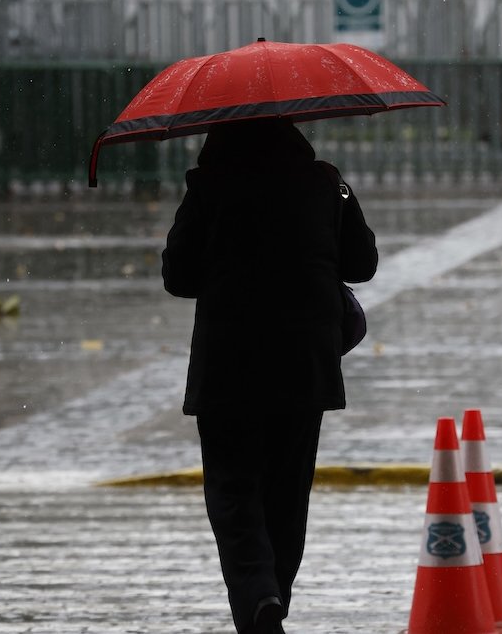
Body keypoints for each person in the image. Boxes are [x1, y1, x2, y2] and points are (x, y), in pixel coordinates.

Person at [161, 118, 378, 634]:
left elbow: (178, 276)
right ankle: (274, 594)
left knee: (235, 493)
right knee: (287, 493)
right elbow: (362, 262)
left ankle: (259, 598)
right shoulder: (324, 183)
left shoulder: (210, 186)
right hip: (303, 367)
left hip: (228, 370)